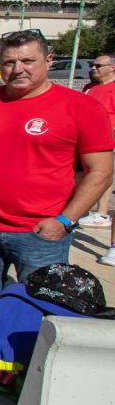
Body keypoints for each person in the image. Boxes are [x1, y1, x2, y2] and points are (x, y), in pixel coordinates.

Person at [0, 29, 113, 347]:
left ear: (48, 61)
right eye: (9, 62)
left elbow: (102, 172)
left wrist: (64, 221)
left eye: (27, 60)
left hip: (40, 233)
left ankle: (20, 378)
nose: (17, 68)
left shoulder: (79, 106)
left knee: (37, 308)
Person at [83, 52, 115, 264]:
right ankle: (96, 212)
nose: (93, 68)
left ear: (112, 67)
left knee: (105, 175)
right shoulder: (89, 88)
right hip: (86, 142)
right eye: (92, 65)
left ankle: (102, 213)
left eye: (98, 65)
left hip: (108, 142)